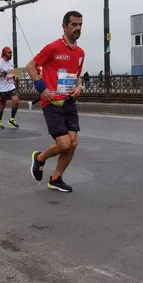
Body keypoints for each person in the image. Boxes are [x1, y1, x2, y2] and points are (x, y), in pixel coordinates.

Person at [27, 10, 85, 192]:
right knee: (64, 144)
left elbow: (77, 76)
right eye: (74, 24)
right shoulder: (53, 47)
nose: (78, 28)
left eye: (80, 25)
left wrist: (79, 87)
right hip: (52, 102)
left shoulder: (81, 52)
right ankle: (40, 158)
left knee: (73, 143)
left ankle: (56, 178)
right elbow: (31, 67)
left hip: (69, 101)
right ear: (65, 26)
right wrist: (42, 89)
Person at [0, 47, 19, 129]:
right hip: (2, 88)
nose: (11, 54)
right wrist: (5, 72)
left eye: (11, 52)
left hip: (10, 85)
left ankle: (12, 119)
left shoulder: (11, 62)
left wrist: (15, 75)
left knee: (16, 100)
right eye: (9, 52)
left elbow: (12, 71)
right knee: (3, 105)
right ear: (4, 54)